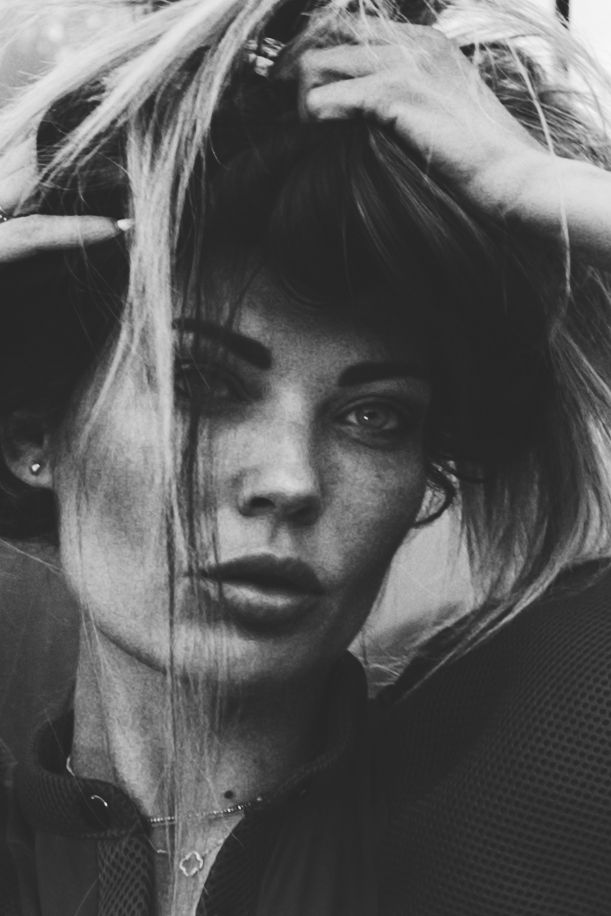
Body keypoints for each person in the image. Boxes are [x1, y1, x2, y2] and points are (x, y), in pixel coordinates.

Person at [0, 0, 610, 913]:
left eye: (374, 417)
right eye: (201, 381)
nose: (289, 480)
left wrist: (532, 183)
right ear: (34, 434)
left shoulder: (533, 769)